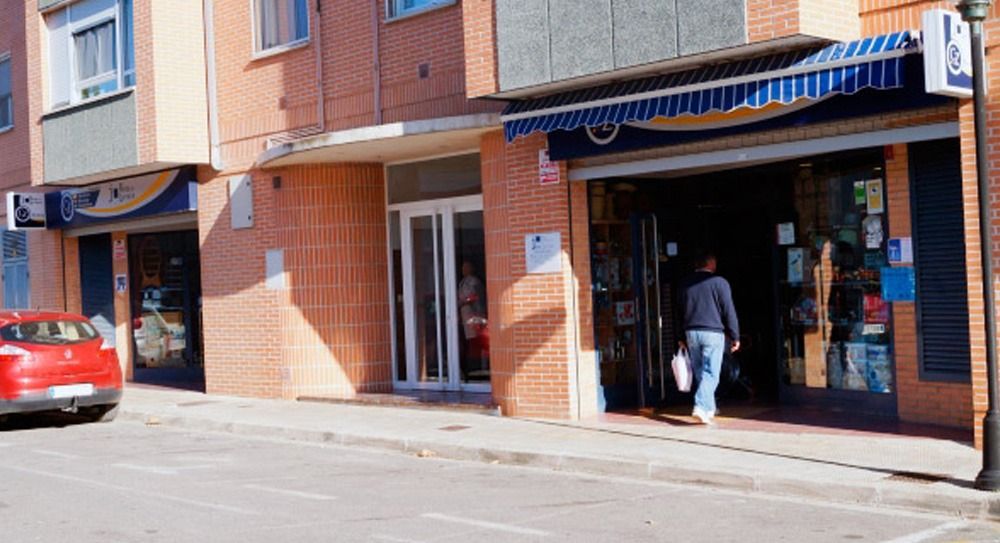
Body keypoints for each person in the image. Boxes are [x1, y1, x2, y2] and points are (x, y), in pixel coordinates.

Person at [679, 250, 740, 425]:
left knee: (700, 372)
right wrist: (735, 334)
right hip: (713, 332)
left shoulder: (685, 284)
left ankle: (709, 408)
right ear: (711, 264)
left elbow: (679, 311)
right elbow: (729, 310)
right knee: (711, 373)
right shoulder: (719, 282)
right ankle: (700, 406)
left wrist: (680, 335)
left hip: (691, 332)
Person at [457, 261, 486, 368]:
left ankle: (481, 365)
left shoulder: (474, 281)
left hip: (474, 315)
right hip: (465, 316)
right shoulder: (462, 282)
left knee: (477, 340)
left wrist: (462, 302)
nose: (463, 270)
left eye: (466, 267)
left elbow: (473, 296)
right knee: (469, 341)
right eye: (463, 267)